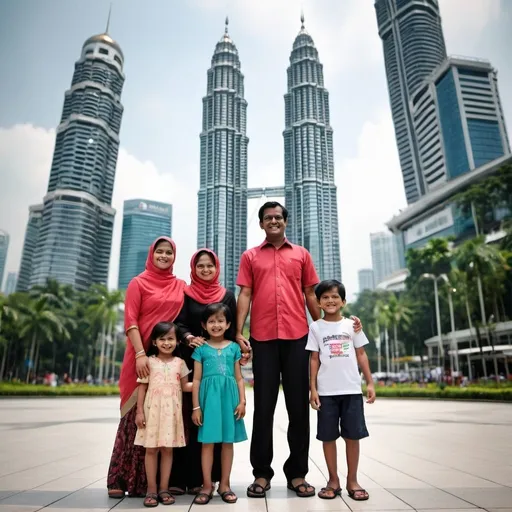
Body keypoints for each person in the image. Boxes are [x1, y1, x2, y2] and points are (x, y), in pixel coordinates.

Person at [235, 201, 363, 499]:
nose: (274, 221)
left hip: (297, 338)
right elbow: (245, 293)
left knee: (298, 409)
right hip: (263, 338)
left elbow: (310, 293)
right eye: (268, 218)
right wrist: (239, 332)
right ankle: (261, 474)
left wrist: (326, 329)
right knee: (264, 409)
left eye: (278, 217)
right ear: (261, 224)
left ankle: (297, 473)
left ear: (285, 222)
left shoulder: (301, 254)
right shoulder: (250, 256)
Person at [107, 237, 187, 498]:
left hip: (168, 356)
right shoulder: (138, 282)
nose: (164, 256)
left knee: (160, 421)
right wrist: (141, 354)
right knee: (135, 415)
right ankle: (120, 478)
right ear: (152, 254)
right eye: (160, 252)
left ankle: (150, 485)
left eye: (169, 253)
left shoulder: (180, 286)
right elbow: (130, 320)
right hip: (139, 355)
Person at [170, 249, 235, 496]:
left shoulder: (227, 296)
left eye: (210, 266)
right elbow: (178, 322)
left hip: (218, 363)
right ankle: (181, 477)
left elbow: (232, 328)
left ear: (216, 267)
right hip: (192, 358)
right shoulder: (185, 293)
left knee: (213, 423)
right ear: (193, 269)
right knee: (188, 418)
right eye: (200, 266)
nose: (205, 270)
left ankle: (210, 481)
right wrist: (187, 337)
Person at [307, 280, 375, 501]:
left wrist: (370, 383)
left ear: (343, 301)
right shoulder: (316, 327)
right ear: (318, 302)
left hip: (351, 390)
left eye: (335, 296)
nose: (330, 300)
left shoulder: (352, 325)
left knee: (352, 436)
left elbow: (361, 354)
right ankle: (333, 480)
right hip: (326, 392)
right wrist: (313, 389)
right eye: (325, 297)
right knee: (328, 437)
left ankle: (352, 480)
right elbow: (314, 358)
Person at [191, 303, 247, 505]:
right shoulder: (201, 349)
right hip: (208, 402)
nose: (216, 325)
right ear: (204, 325)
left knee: (227, 443)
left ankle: (225, 484)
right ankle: (207, 485)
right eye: (211, 321)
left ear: (228, 324)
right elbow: (196, 380)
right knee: (207, 443)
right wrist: (196, 407)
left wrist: (242, 401)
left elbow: (239, 378)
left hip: (229, 400)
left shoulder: (233, 348)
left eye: (220, 321)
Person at [134, 322, 193, 507]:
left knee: (168, 450)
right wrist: (139, 412)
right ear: (154, 342)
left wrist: (203, 382)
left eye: (170, 339)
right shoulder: (149, 362)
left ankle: (164, 489)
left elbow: (186, 387)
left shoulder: (180, 363)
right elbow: (142, 389)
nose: (166, 343)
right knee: (151, 450)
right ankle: (151, 490)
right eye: (162, 339)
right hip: (152, 412)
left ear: (177, 341)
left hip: (172, 414)